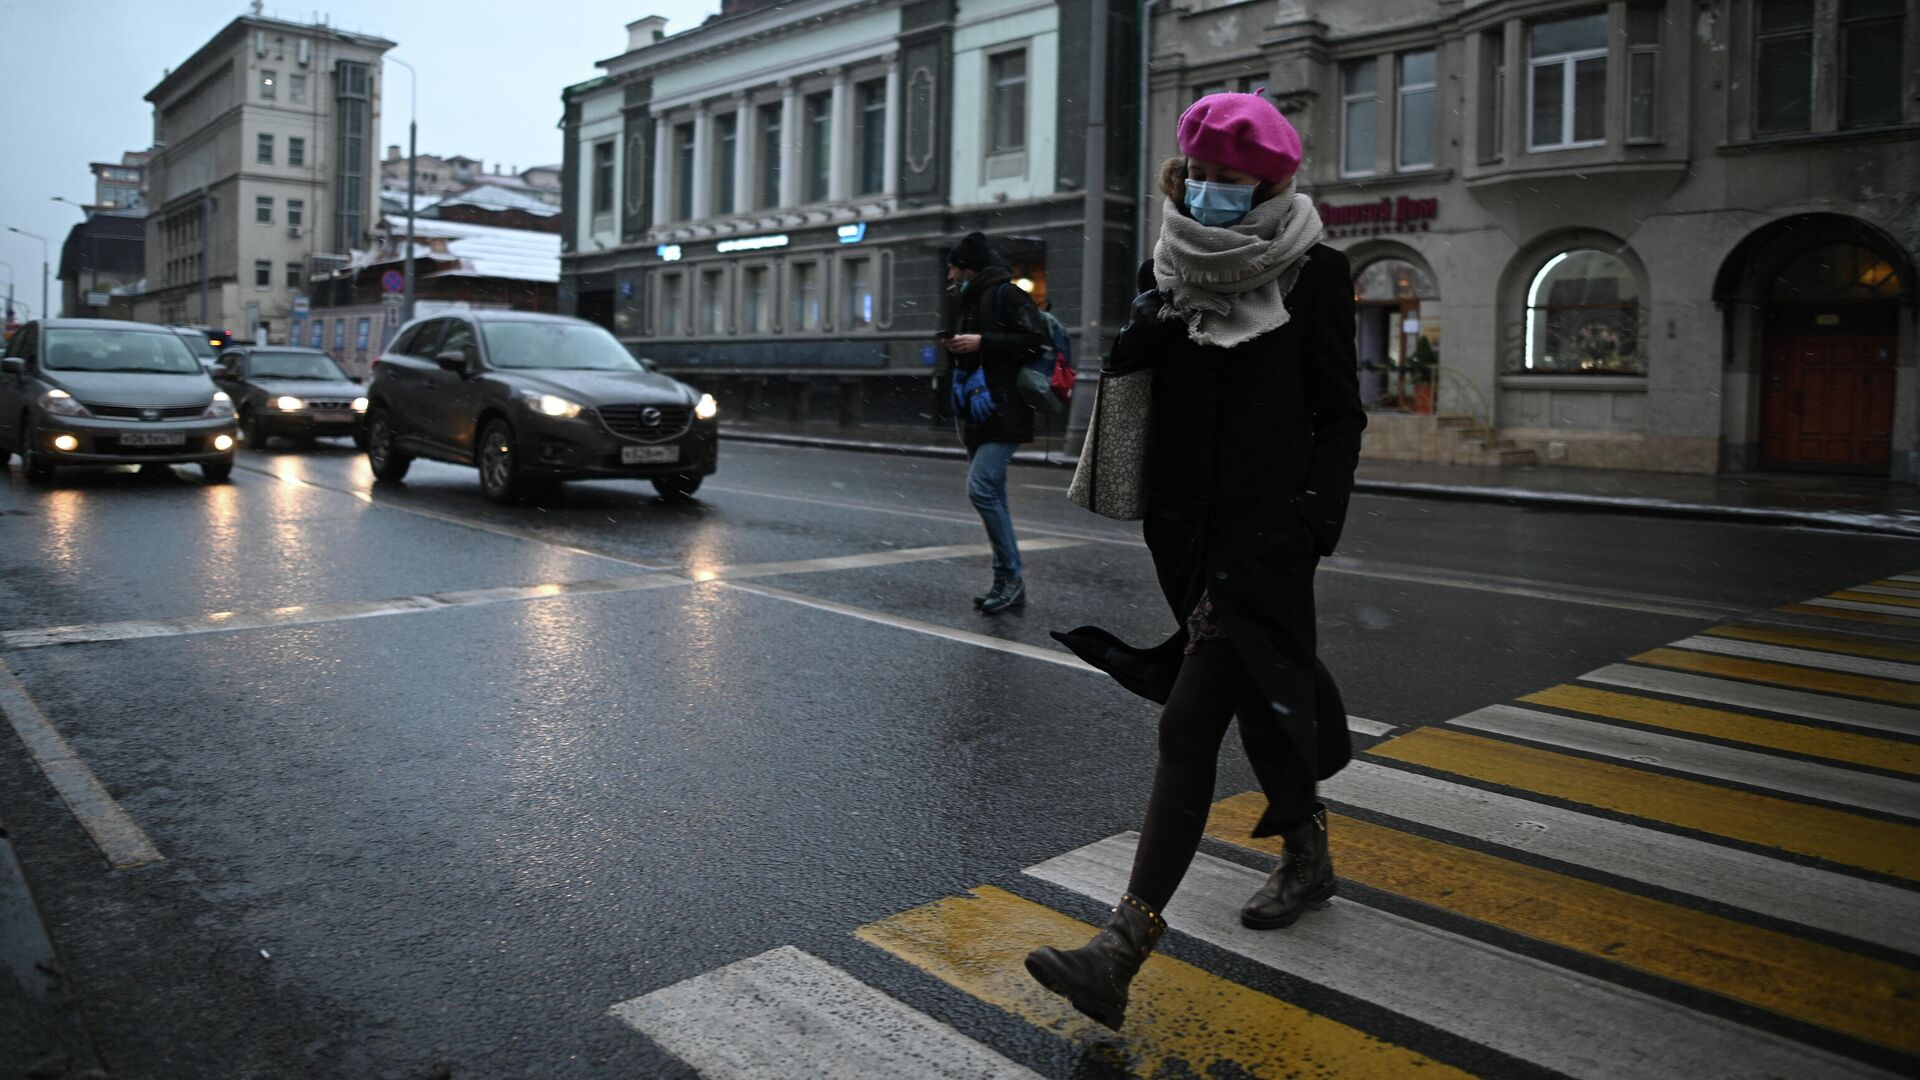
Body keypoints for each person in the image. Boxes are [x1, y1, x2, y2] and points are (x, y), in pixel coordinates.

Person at [1025, 91, 1366, 1029]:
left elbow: (1340, 416)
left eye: (1235, 178)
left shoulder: (1315, 274)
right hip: (1189, 535)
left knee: (1188, 723)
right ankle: (1309, 856)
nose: (1216, 191)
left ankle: (1121, 947)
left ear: (1272, 180)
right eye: (1203, 175)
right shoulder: (1165, 268)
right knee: (1263, 692)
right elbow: (1148, 398)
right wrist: (1144, 327)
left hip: (1269, 537)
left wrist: (1311, 523)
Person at [943, 231, 1047, 614]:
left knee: (982, 489)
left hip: (1005, 408)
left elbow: (1034, 341)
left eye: (953, 268)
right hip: (979, 407)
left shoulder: (1007, 294)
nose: (950, 276)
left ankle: (1010, 577)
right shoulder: (970, 298)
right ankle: (1006, 579)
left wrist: (982, 342)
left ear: (968, 267)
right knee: (993, 493)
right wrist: (962, 345)